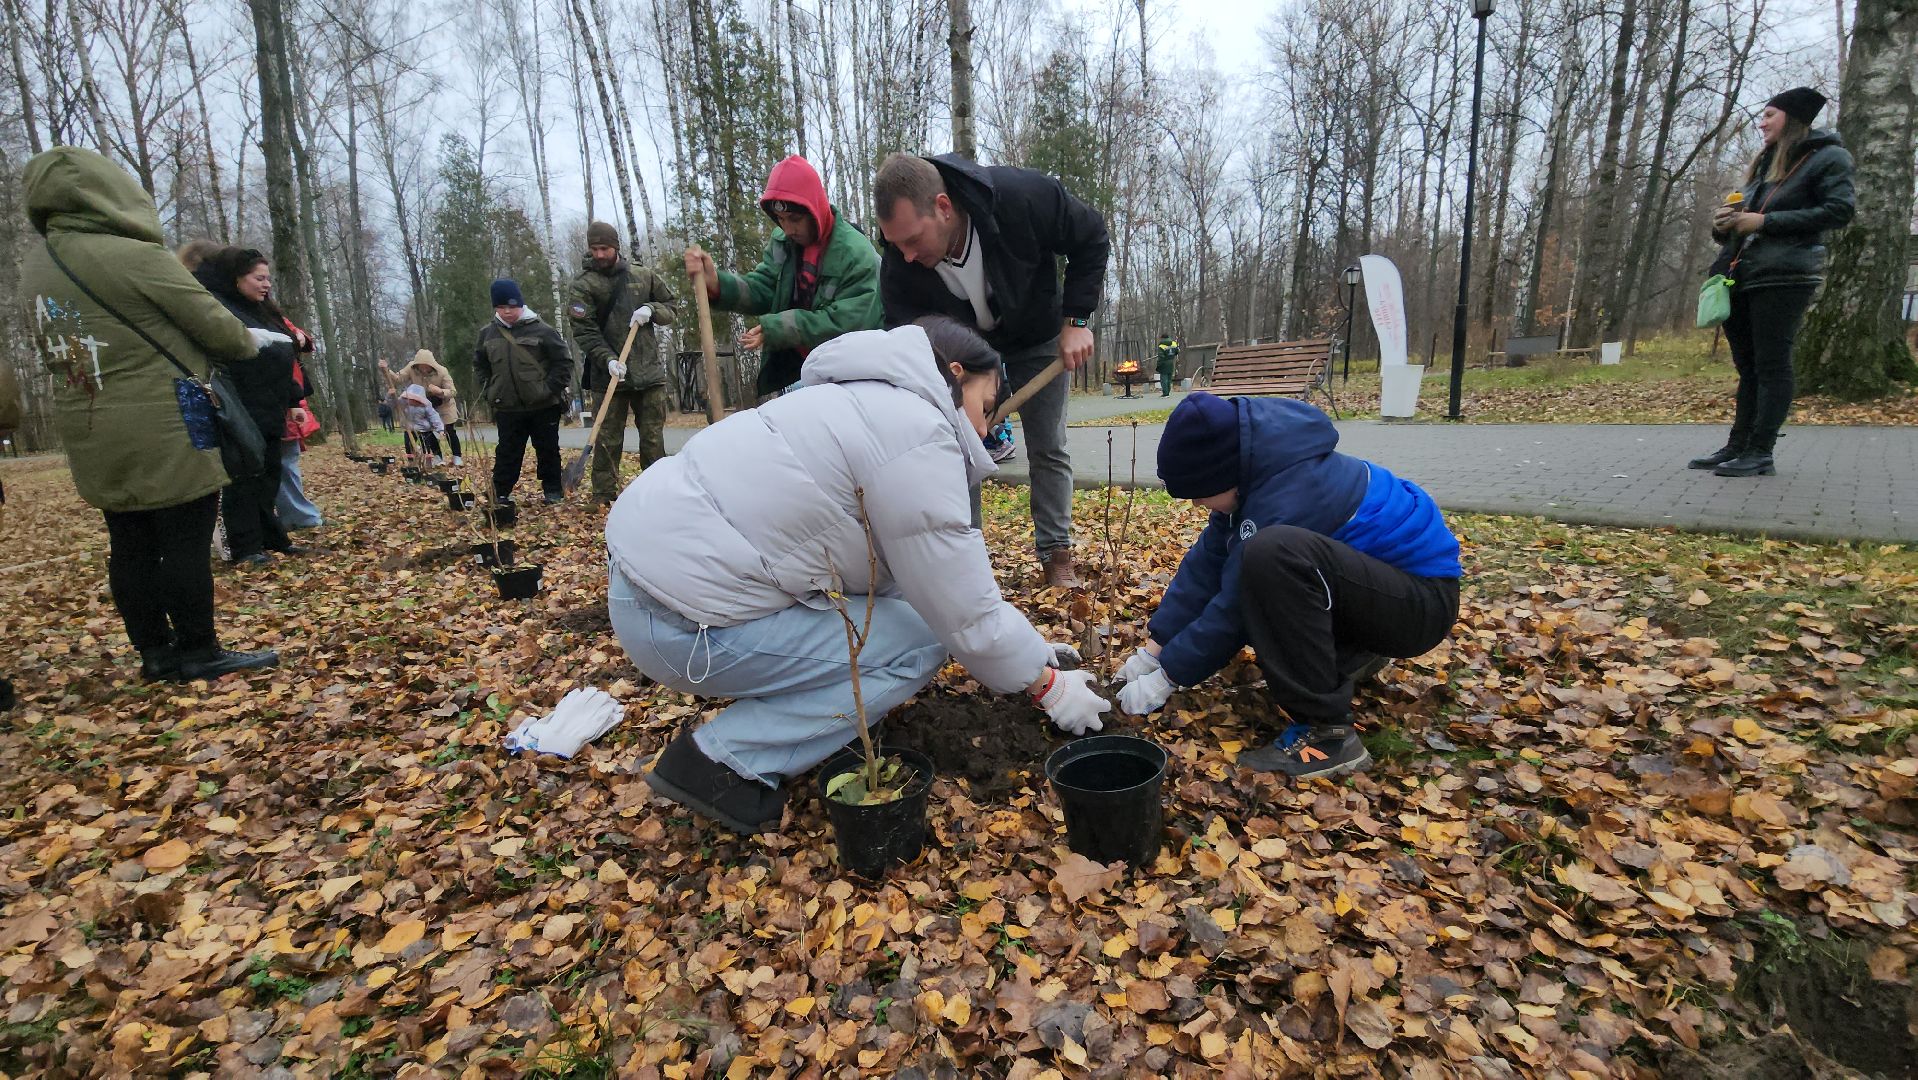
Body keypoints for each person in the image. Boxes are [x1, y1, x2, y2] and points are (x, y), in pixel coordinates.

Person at [605, 318, 1111, 833]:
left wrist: (1030, 650)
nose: (984, 430)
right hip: (681, 623)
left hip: (649, 586)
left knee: (909, 623)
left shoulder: (854, 399)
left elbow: (914, 584)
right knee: (918, 645)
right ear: (955, 375)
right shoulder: (916, 431)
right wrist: (1048, 685)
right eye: (984, 407)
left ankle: (784, 727)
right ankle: (724, 760)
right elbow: (964, 617)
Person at [20, 146, 280, 680]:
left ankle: (154, 653)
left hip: (89, 422)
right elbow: (223, 332)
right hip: (163, 422)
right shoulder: (133, 256)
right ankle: (198, 648)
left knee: (129, 541)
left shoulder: (37, 268)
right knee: (184, 534)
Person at [1112, 393, 1461, 779]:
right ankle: (1351, 656)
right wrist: (1152, 652)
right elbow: (1205, 567)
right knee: (1265, 557)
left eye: (1198, 492)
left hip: (1419, 607)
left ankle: (1328, 735)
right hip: (1378, 592)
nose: (1197, 504)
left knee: (1270, 557)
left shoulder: (1292, 493)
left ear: (1222, 473)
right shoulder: (1257, 476)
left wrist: (1166, 678)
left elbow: (1233, 607)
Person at [874, 152, 1109, 588]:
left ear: (943, 207)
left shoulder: (1022, 198)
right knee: (958, 448)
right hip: (963, 353)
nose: (904, 256)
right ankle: (968, 565)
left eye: (911, 240)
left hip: (1036, 336)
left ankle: (1056, 554)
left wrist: (1076, 319)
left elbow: (1090, 236)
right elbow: (904, 333)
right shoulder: (899, 264)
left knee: (1048, 448)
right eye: (895, 244)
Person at [1691, 87, 1855, 479]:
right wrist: (1724, 226)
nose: (1761, 123)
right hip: (1740, 273)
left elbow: (1839, 210)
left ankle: (1761, 451)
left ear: (1792, 117)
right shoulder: (1765, 163)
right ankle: (1738, 445)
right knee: (1747, 366)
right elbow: (1746, 220)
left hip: (1784, 274)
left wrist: (1764, 223)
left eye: (1768, 114)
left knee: (1771, 364)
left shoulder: (1828, 158)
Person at [683, 154, 883, 402]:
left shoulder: (856, 254)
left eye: (795, 219)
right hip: (795, 370)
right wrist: (718, 284)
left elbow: (847, 323)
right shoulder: (784, 242)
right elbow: (765, 287)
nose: (788, 229)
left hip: (850, 376)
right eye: (781, 219)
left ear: (815, 209)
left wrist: (779, 327)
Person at [193, 246, 314, 567]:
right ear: (237, 279)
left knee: (269, 473)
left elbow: (283, 352)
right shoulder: (221, 309)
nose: (266, 284)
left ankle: (271, 538)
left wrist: (293, 399)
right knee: (245, 476)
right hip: (239, 404)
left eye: (268, 278)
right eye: (258, 278)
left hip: (270, 404)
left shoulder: (261, 309)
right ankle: (245, 547)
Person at [567, 221, 678, 504]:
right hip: (609, 377)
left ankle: (658, 492)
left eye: (604, 248)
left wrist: (651, 309)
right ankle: (603, 495)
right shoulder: (583, 285)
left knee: (653, 439)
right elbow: (584, 331)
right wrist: (607, 360)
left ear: (616, 246)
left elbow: (672, 308)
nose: (600, 254)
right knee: (607, 439)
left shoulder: (643, 276)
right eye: (594, 249)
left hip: (648, 374)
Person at [474, 278, 573, 504]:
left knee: (547, 450)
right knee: (507, 452)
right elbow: (480, 365)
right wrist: (490, 390)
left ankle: (552, 491)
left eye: (512, 306)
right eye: (501, 307)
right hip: (507, 406)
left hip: (543, 405)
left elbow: (563, 362)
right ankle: (499, 493)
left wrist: (549, 389)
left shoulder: (543, 330)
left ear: (521, 304)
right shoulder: (487, 334)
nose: (507, 312)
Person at [385, 350, 462, 463]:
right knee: (426, 431)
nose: (424, 370)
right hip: (422, 404)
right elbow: (397, 379)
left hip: (443, 404)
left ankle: (457, 457)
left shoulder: (442, 371)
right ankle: (437, 456)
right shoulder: (411, 368)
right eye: (421, 368)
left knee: (449, 430)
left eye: (427, 368)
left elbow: (453, 392)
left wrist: (440, 391)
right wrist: (387, 370)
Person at [276, 354, 324, 529]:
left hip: (287, 399)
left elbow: (301, 340)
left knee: (288, 459)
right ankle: (298, 516)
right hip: (279, 403)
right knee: (285, 462)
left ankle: (296, 515)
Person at [399, 383, 447, 460]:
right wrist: (390, 395)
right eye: (410, 398)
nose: (412, 401)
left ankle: (431, 460)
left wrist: (440, 429)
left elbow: (434, 416)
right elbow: (392, 403)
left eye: (415, 399)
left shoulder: (426, 405)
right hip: (409, 429)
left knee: (427, 446)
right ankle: (412, 462)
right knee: (409, 446)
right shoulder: (403, 403)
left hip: (424, 429)